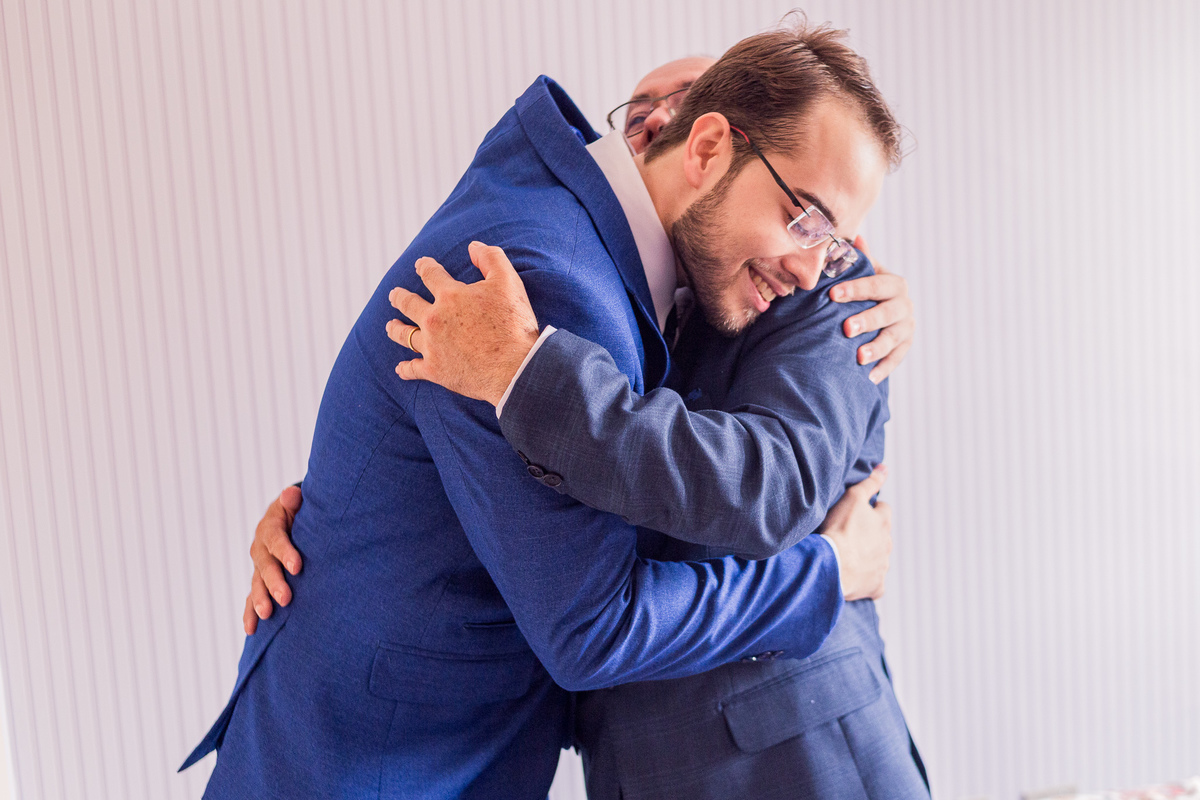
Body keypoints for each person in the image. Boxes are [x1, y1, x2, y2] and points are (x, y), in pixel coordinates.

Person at [184, 20, 910, 800]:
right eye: (805, 217)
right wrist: (338, 513)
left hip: (799, 754)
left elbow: (762, 478)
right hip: (381, 762)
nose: (814, 264)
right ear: (701, 148)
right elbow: (592, 620)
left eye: (833, 238)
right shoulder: (542, 283)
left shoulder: (820, 292)